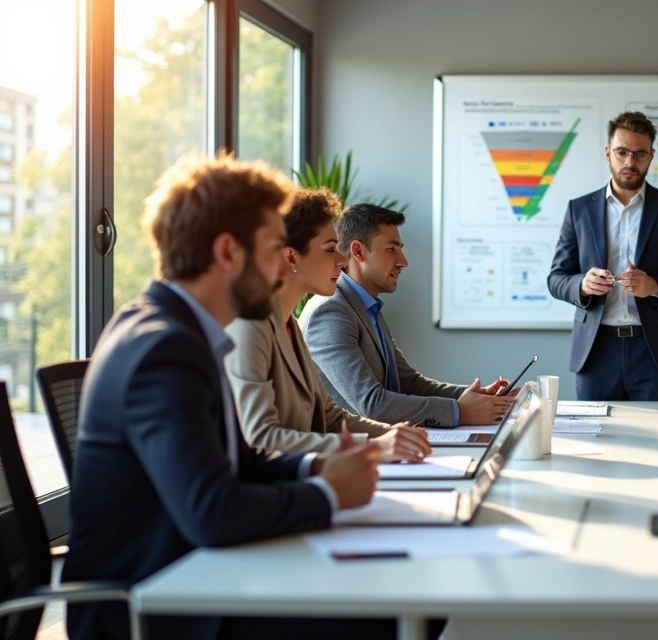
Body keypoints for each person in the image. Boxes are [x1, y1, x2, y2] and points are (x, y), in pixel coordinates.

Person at [62, 153, 393, 640]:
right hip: (151, 605)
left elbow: (237, 462)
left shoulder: (178, 330)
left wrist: (315, 468)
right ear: (227, 252)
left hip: (192, 574)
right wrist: (327, 494)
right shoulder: (165, 349)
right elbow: (212, 512)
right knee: (378, 614)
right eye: (273, 248)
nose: (282, 265)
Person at [225, 188, 432, 459]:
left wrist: (394, 435)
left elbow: (329, 418)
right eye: (330, 250)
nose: (342, 260)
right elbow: (263, 438)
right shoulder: (250, 328)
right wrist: (374, 447)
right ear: (290, 257)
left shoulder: (292, 325)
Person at [301, 203, 515, 427]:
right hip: (350, 453)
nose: (403, 261)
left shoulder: (366, 307)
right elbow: (372, 405)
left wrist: (479, 399)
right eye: (391, 249)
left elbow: (408, 383)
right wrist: (459, 411)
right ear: (358, 251)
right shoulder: (330, 312)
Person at [548, 111, 658, 401]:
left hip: (655, 352)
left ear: (651, 156)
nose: (630, 162)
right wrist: (582, 285)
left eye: (640, 154)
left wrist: (655, 287)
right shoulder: (580, 209)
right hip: (595, 351)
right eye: (622, 152)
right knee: (594, 440)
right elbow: (557, 278)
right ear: (608, 153)